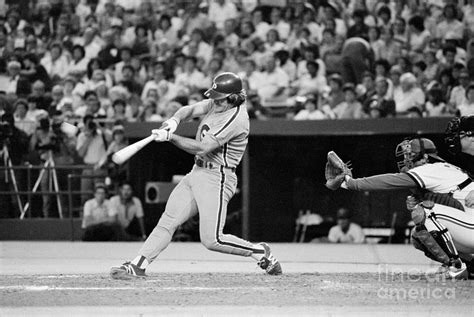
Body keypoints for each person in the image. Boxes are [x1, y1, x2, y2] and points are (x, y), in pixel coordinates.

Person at [110, 72, 281, 279]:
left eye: (218, 99)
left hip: (218, 178)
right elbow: (190, 109)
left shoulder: (236, 118)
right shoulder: (219, 102)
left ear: (233, 98)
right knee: (168, 220)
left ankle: (259, 252)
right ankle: (138, 265)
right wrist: (175, 119)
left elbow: (203, 147)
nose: (213, 102)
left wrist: (170, 137)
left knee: (212, 240)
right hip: (196, 172)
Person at [327, 138, 474, 279]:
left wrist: (351, 182)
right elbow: (454, 203)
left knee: (426, 212)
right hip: (468, 225)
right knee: (418, 235)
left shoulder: (430, 168)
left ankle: (456, 267)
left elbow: (388, 181)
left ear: (425, 157)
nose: (406, 161)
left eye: (410, 156)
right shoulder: (444, 169)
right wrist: (422, 199)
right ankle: (470, 266)